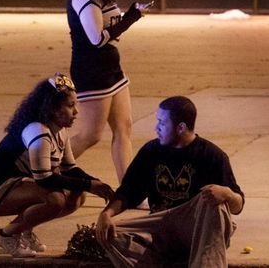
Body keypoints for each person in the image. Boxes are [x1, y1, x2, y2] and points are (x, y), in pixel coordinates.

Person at [0, 74, 115, 258]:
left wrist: (96, 183)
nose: (76, 112)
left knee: (77, 196)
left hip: (16, 184)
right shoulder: (38, 132)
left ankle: (25, 229)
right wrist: (89, 185)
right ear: (53, 109)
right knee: (55, 199)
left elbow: (70, 168)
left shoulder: (59, 129)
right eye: (71, 106)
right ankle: (7, 235)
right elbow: (44, 178)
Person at [95, 96, 244, 267]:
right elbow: (129, 191)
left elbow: (238, 205)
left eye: (162, 123)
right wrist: (106, 214)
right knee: (108, 233)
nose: (156, 128)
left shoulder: (211, 155)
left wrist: (227, 194)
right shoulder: (151, 151)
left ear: (181, 127)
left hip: (194, 229)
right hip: (161, 225)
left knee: (214, 204)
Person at [63, 0, 152, 182]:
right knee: (91, 135)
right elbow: (97, 39)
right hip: (91, 71)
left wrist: (131, 15)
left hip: (112, 68)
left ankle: (129, 190)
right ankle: (46, 168)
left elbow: (110, 27)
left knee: (124, 128)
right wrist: (131, 19)